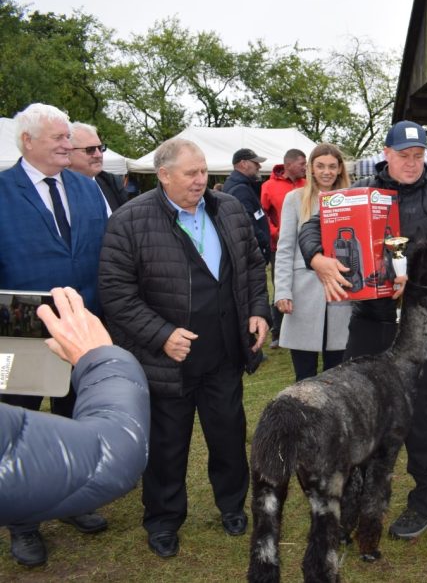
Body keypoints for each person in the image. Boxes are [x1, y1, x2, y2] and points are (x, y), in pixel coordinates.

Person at [297, 120, 427, 540]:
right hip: (368, 322)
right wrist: (316, 259)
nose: (412, 163)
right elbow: (311, 228)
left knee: (417, 414)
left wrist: (414, 276)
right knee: (359, 413)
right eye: (404, 155)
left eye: (418, 156)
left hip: (412, 331)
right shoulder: (358, 192)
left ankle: (425, 501)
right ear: (386, 153)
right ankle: (355, 504)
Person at [98, 138, 271, 559]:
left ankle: (232, 506)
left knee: (229, 434)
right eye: (191, 174)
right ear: (163, 175)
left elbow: (250, 265)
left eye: (203, 172)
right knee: (167, 445)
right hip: (166, 360)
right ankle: (162, 520)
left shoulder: (226, 207)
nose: (201, 181)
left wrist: (258, 311)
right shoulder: (130, 220)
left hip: (226, 350)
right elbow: (115, 292)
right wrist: (161, 335)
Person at [0, 103, 110, 567]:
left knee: (73, 422)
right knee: (17, 428)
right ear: (27, 142)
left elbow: (107, 252)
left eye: (69, 137)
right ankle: (22, 522)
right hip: (17, 333)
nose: (69, 144)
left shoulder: (88, 189)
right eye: (59, 138)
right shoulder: (2, 191)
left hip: (80, 328)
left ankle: (72, 501)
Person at [0, 287, 150, 527]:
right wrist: (102, 359)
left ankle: (72, 506)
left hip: (79, 340)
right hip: (21, 338)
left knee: (71, 417)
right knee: (21, 414)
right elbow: (116, 449)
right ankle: (23, 529)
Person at [275, 144, 351, 380]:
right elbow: (285, 248)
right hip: (304, 294)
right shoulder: (294, 199)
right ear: (310, 168)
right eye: (320, 166)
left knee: (337, 373)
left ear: (340, 169)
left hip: (341, 294)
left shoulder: (351, 199)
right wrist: (282, 291)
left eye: (331, 166)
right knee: (304, 375)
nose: (326, 172)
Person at [261, 148, 307, 347]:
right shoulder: (269, 186)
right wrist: (275, 232)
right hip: (280, 247)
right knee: (281, 285)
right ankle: (278, 332)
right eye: (301, 164)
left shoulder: (308, 184)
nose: (305, 167)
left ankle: (306, 328)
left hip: (307, 247)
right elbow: (261, 214)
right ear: (288, 165)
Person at [223, 147, 272, 263]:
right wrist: (264, 242)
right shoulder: (240, 189)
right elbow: (247, 223)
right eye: (255, 163)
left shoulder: (242, 185)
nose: (259, 166)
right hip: (251, 254)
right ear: (244, 164)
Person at [68, 122, 129, 214]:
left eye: (100, 148)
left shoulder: (112, 183)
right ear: (68, 152)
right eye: (90, 150)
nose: (98, 155)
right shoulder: (58, 189)